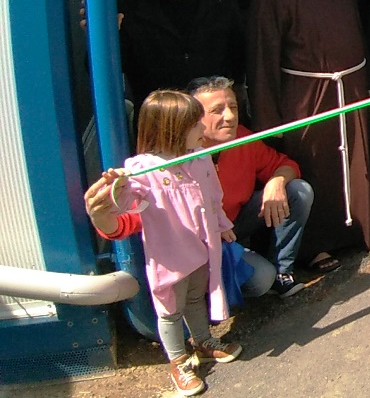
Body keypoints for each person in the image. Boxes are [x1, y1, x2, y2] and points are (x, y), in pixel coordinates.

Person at [85, 76, 315, 299]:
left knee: (298, 191)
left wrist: (276, 181)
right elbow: (127, 223)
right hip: (194, 246)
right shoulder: (165, 162)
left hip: (231, 227)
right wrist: (100, 216)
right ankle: (203, 296)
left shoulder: (242, 138)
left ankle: (282, 272)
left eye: (233, 107)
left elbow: (285, 165)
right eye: (217, 110)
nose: (230, 116)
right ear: (192, 118)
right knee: (260, 280)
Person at [248, 0, 370, 273]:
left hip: (350, 87)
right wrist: (270, 124)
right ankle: (315, 246)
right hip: (307, 97)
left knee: (354, 163)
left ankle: (356, 229)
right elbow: (262, 60)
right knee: (316, 167)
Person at [104, 90, 243, 396]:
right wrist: (118, 186)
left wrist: (221, 225)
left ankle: (203, 340)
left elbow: (213, 195)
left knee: (195, 298)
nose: (202, 129)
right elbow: (128, 202)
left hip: (202, 247)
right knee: (170, 309)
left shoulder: (199, 156)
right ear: (173, 128)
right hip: (169, 255)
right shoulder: (142, 167)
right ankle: (178, 361)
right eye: (195, 124)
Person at [118, 0, 245, 111]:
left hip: (212, 113)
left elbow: (238, 46)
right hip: (161, 116)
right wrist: (102, 42)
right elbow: (104, 69)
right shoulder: (129, 0)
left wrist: (239, 90)